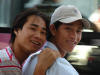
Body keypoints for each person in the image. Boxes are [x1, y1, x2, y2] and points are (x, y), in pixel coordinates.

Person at [22, 5, 90, 75]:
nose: (74, 36)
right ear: (53, 29)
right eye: (68, 28)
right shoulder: (61, 66)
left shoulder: (32, 58)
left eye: (78, 31)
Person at [0, 8, 60, 75]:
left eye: (43, 32)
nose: (38, 36)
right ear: (16, 30)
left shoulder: (10, 59)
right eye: (33, 29)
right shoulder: (7, 63)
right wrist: (41, 67)